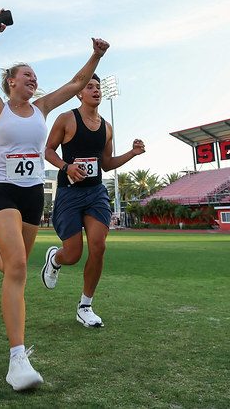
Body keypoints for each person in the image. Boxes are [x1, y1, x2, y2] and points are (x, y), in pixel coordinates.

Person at [0, 8, 108, 392]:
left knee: (17, 263)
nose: (33, 80)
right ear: (11, 82)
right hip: (3, 192)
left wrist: (97, 55)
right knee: (17, 269)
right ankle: (17, 360)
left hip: (33, 198)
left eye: (35, 77)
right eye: (27, 75)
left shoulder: (42, 109)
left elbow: (77, 81)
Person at [41, 74, 145, 328]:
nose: (96, 90)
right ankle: (55, 259)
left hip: (96, 193)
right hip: (69, 193)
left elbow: (106, 164)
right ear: (79, 93)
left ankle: (85, 306)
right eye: (90, 86)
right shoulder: (66, 119)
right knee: (74, 254)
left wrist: (132, 153)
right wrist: (67, 167)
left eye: (98, 87)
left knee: (98, 246)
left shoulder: (107, 128)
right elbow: (48, 150)